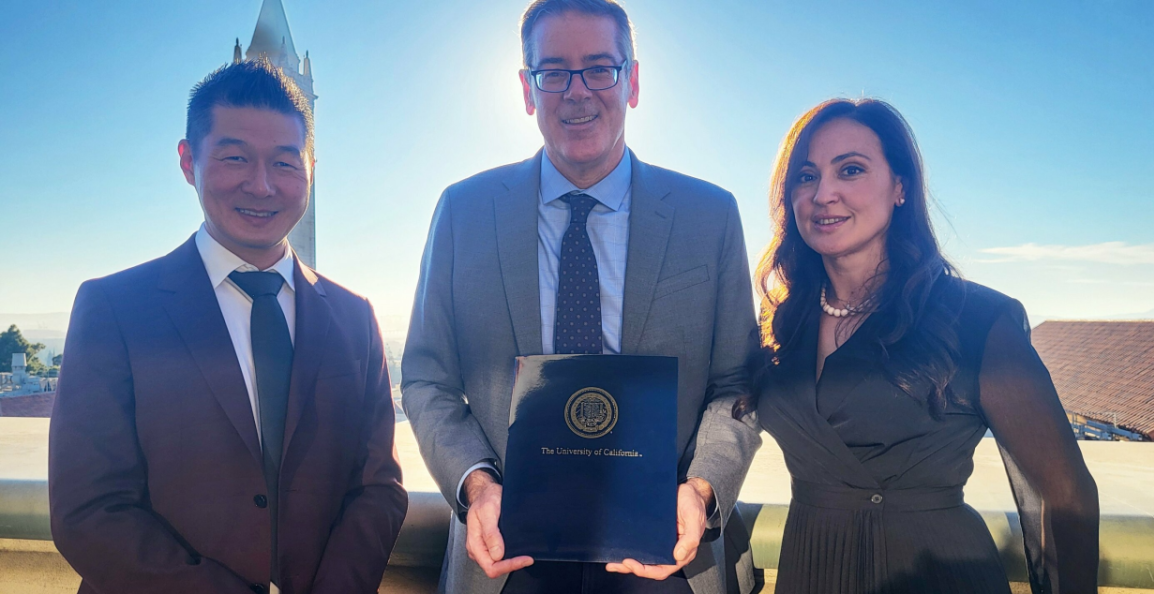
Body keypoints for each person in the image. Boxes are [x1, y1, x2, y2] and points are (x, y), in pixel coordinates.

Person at [401, 1, 761, 592]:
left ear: (633, 80)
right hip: (506, 560)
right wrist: (477, 485)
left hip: (668, 557)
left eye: (599, 68)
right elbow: (425, 377)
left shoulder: (710, 215)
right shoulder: (463, 212)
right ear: (526, 89)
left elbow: (737, 385)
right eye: (554, 72)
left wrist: (700, 489)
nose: (578, 92)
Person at [48, 59, 407, 594]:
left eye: (285, 164)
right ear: (188, 161)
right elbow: (89, 508)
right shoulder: (115, 309)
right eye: (235, 157)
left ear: (312, 166)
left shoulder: (353, 316)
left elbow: (378, 486)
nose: (261, 186)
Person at [740, 98, 1099, 593]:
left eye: (851, 170)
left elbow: (1066, 495)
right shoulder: (781, 325)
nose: (825, 193)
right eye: (806, 176)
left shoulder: (976, 319)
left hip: (938, 575)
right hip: (811, 570)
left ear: (900, 187)